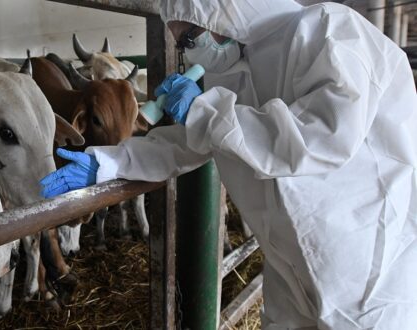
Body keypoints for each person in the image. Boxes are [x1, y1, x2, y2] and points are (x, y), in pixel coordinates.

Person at [40, 0, 417, 329]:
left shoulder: (329, 33)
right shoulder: (232, 70)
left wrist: (204, 112)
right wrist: (108, 162)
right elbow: (190, 144)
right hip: (290, 269)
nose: (192, 53)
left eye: (190, 37)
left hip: (368, 275)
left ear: (224, 10)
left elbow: (320, 139)